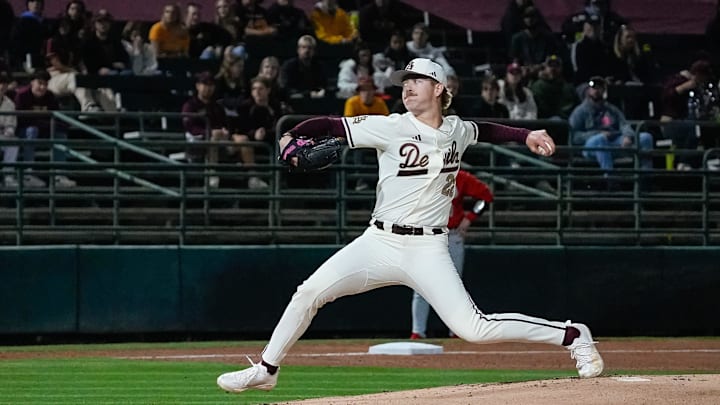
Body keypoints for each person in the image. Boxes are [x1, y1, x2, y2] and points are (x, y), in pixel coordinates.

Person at [215, 58, 604, 393]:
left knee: (474, 329)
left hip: (428, 250)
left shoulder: (455, 130)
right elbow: (332, 124)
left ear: (439, 88)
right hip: (379, 242)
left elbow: (483, 129)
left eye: (416, 80)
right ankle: (266, 370)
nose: (407, 87)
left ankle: (573, 335)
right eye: (404, 82)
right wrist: (292, 136)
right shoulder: (391, 126)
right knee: (309, 291)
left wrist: (526, 134)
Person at [410, 169, 494, 339]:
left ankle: (456, 330)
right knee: (421, 285)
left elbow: (485, 197)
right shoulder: (420, 175)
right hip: (427, 236)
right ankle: (417, 331)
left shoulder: (460, 176)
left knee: (454, 285)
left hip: (452, 234)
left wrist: (469, 218)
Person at [568, 76, 653, 173]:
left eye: (599, 88)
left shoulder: (612, 109)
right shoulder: (580, 111)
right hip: (590, 147)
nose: (596, 90)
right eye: (593, 87)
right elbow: (574, 136)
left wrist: (628, 136)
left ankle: (646, 177)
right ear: (588, 90)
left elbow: (624, 124)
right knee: (600, 139)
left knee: (645, 138)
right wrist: (597, 133)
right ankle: (610, 180)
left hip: (614, 143)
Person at [14, 70, 76, 188]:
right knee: (32, 130)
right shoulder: (22, 95)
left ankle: (59, 175)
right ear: (32, 82)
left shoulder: (50, 96)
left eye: (45, 84)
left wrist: (61, 125)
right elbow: (21, 119)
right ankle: (28, 173)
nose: (42, 87)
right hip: (24, 131)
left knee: (60, 134)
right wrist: (42, 122)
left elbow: (57, 116)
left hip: (44, 129)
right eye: (40, 83)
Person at [529, 55, 578, 119]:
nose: (553, 69)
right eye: (550, 66)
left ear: (561, 68)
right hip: (545, 121)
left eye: (556, 66)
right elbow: (541, 109)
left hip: (565, 120)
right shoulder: (538, 86)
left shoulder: (567, 87)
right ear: (545, 68)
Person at [0, 71, 20, 188]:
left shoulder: (10, 104)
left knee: (13, 142)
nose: (1, 86)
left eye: (4, 83)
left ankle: (8, 176)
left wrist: (9, 132)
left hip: (2, 135)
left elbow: (11, 125)